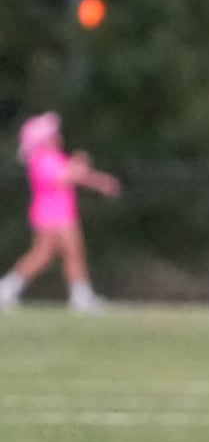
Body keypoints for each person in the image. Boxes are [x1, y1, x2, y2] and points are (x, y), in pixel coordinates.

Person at [0, 113, 121, 313]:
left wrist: (100, 182)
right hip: (53, 215)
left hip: (56, 213)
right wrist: (79, 162)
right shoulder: (41, 159)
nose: (57, 136)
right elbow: (64, 177)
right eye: (53, 134)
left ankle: (7, 289)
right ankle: (81, 297)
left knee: (43, 255)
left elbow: (76, 175)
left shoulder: (54, 158)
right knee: (72, 252)